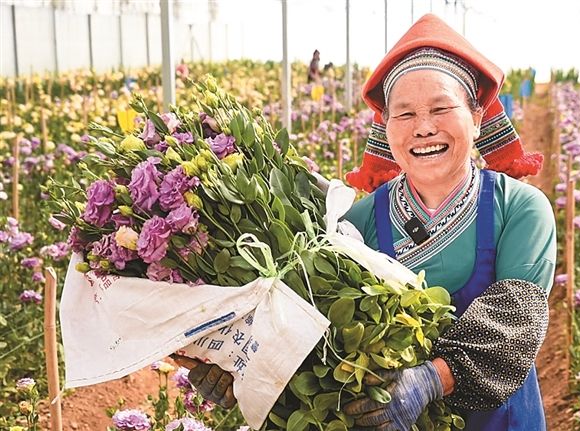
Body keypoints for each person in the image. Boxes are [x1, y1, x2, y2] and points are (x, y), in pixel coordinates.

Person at [175, 14, 555, 431]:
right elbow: (317, 345)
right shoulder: (356, 221)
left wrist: (430, 381)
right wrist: (241, 370)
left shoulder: (519, 209)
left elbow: (515, 322)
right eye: (404, 114)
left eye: (441, 108)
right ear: (385, 127)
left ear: (477, 117)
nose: (424, 128)